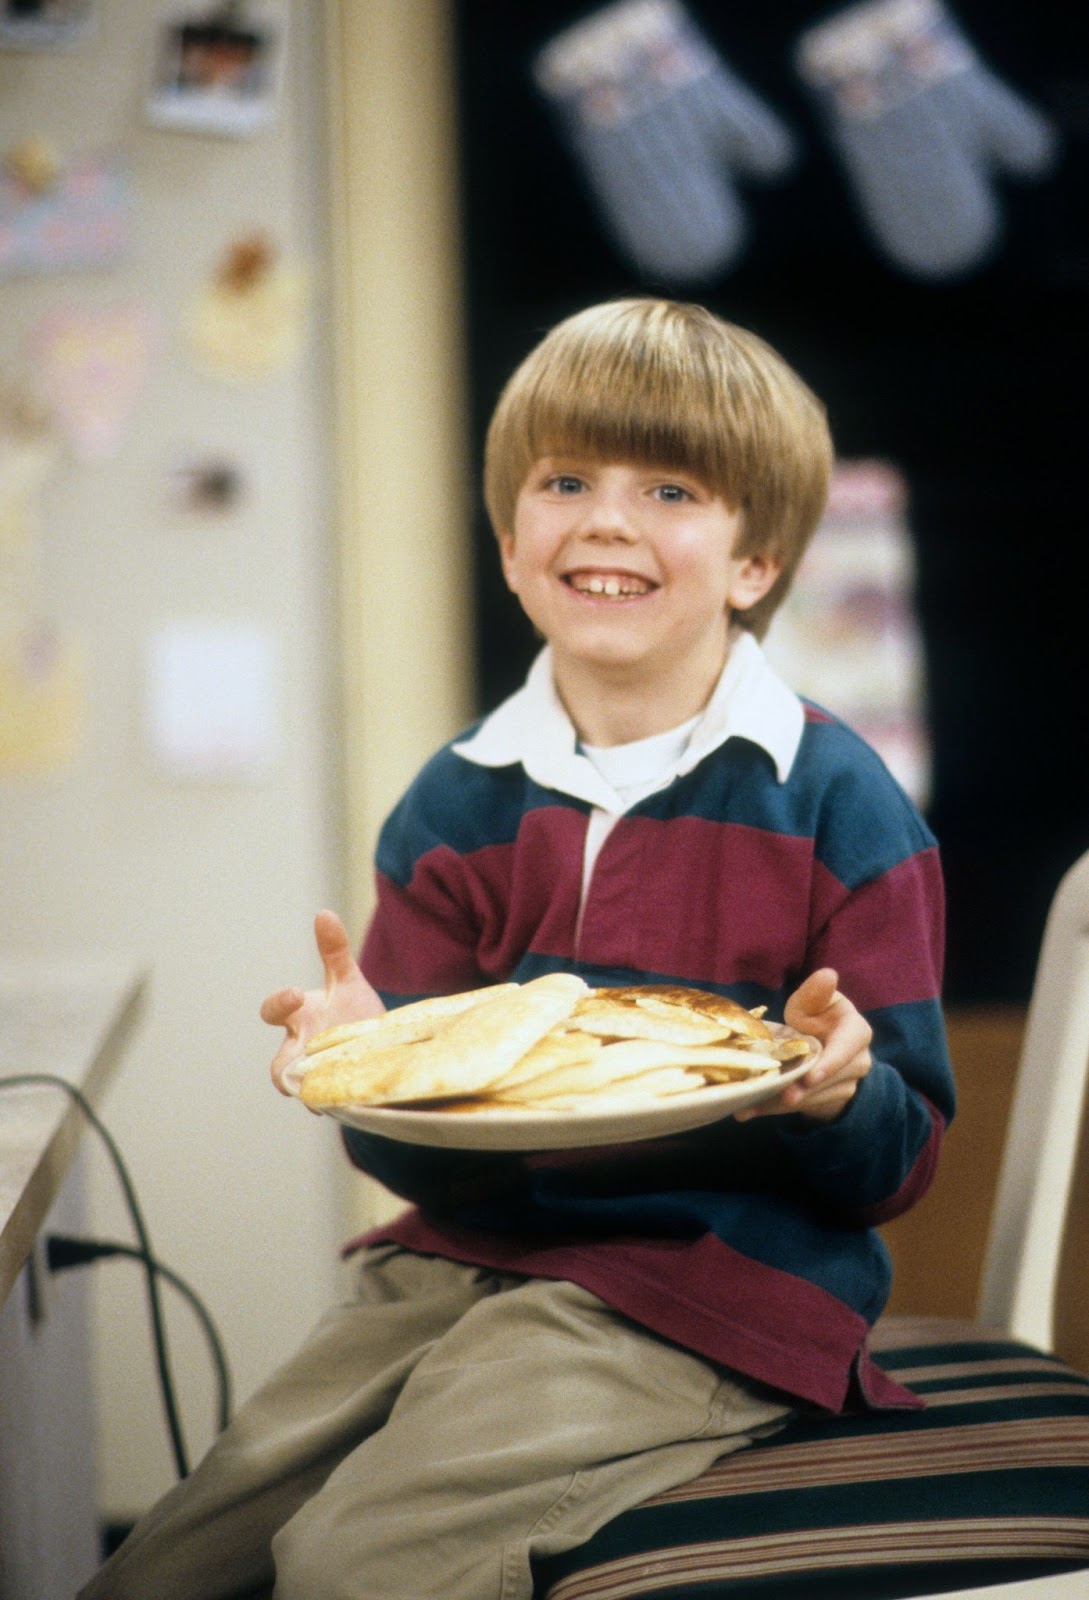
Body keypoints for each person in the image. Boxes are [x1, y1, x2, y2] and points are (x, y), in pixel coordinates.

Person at [80, 298, 954, 1600]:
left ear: (756, 561)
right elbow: (403, 1145)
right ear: (508, 541)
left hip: (707, 1286)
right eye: (564, 481)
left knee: (349, 1564)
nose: (605, 517)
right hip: (464, 1262)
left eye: (668, 488)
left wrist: (837, 1089)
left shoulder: (834, 801)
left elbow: (903, 1150)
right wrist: (360, 1064)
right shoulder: (457, 803)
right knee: (167, 1563)